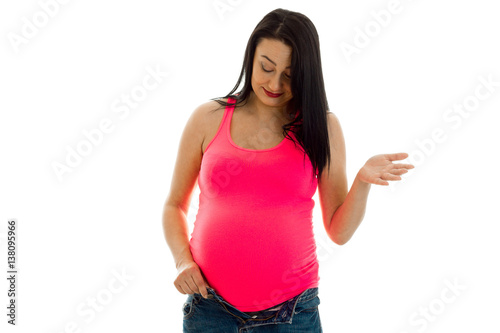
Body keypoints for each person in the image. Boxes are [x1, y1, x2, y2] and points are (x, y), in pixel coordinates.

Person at [162, 8, 415, 332]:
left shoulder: (321, 126)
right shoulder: (208, 117)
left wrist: (362, 181)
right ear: (250, 56)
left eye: (290, 74)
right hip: (210, 310)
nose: (275, 83)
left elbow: (338, 231)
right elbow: (174, 205)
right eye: (266, 67)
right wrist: (183, 260)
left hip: (292, 315)